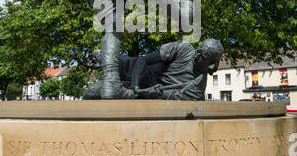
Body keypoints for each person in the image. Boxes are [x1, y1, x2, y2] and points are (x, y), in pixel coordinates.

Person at [84, 38, 224, 101]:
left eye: (202, 55)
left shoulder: (197, 89)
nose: (197, 55)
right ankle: (119, 63)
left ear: (211, 62)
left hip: (143, 91)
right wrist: (135, 85)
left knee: (91, 92)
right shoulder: (184, 49)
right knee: (101, 53)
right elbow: (144, 59)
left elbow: (164, 96)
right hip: (134, 68)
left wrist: (142, 91)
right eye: (198, 50)